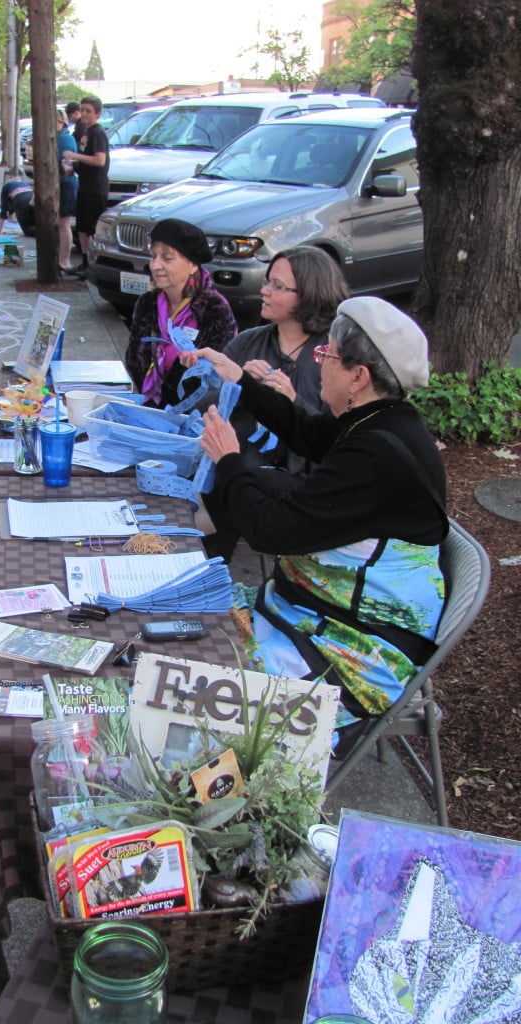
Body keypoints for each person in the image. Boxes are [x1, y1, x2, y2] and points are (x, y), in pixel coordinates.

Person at [180, 297, 447, 754]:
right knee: (180, 624)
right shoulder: (377, 420)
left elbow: (266, 530)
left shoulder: (377, 455)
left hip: (355, 654)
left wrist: (228, 461)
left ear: (358, 377)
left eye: (328, 355)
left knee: (182, 671)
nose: (318, 362)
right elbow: (305, 432)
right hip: (312, 614)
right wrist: (239, 376)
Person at [201, 246, 349, 560]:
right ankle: (206, 567)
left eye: (277, 286)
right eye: (267, 282)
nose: (264, 291)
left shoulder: (330, 356)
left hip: (297, 479)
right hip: (242, 460)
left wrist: (291, 399)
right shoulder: (249, 341)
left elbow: (337, 436)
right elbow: (207, 407)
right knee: (217, 472)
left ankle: (207, 566)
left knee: (231, 480)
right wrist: (237, 385)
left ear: (309, 295)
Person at [124, 218, 237, 408]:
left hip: (196, 417)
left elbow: (214, 381)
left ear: (192, 265)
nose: (155, 265)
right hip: (150, 410)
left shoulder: (215, 310)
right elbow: (134, 361)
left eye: (167, 258)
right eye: (153, 256)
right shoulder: (147, 303)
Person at [61, 95, 109, 279]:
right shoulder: (86, 133)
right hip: (84, 185)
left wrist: (75, 156)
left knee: (93, 228)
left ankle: (95, 265)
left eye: (89, 111)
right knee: (81, 227)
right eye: (82, 110)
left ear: (97, 113)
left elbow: (99, 160)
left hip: (96, 188)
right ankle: (85, 262)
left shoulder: (98, 133)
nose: (84, 114)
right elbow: (86, 161)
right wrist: (73, 166)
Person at [56, 108, 78, 273]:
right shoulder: (58, 137)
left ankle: (64, 261)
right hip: (59, 184)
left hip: (66, 184)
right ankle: (60, 259)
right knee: (60, 223)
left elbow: (68, 166)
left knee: (64, 223)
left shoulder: (65, 138)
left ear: (62, 122)